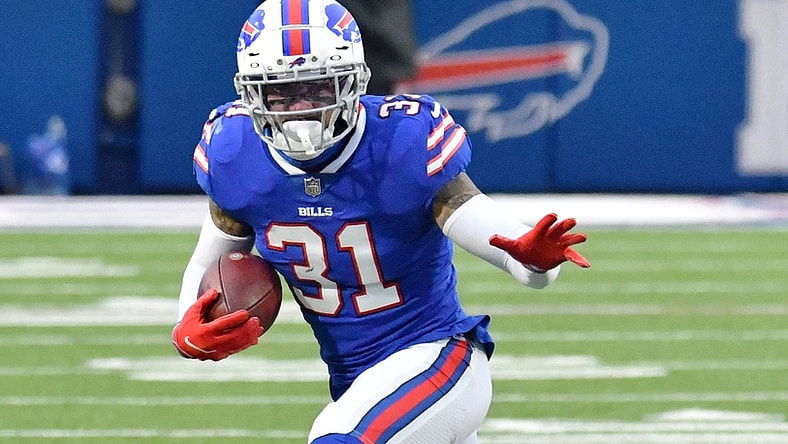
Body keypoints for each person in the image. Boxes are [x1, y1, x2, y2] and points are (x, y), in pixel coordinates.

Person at [173, 1, 590, 442]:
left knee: (338, 437)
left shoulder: (399, 143)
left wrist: (532, 256)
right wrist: (187, 327)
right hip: (358, 383)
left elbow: (489, 231)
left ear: (353, 82)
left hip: (437, 356)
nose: (300, 108)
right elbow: (209, 263)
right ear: (251, 93)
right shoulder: (236, 153)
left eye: (317, 88)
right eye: (280, 91)